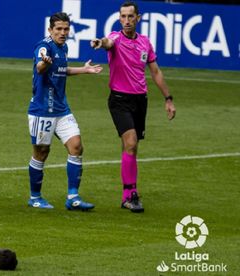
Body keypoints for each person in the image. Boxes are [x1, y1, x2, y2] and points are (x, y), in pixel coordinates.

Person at [90, 1, 176, 213]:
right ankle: (132, 194)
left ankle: (126, 195)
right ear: (119, 19)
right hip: (119, 100)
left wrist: (168, 98)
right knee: (131, 142)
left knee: (131, 147)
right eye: (123, 16)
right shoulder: (116, 38)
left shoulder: (145, 43)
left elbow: (155, 72)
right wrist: (100, 43)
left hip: (140, 100)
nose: (126, 21)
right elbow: (107, 42)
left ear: (138, 18)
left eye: (130, 16)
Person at [27, 12, 102, 210]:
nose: (63, 32)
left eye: (66, 29)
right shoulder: (43, 47)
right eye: (58, 29)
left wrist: (84, 70)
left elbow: (63, 70)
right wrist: (44, 61)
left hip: (61, 109)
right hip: (42, 110)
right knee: (41, 153)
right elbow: (41, 67)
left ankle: (73, 198)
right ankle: (35, 197)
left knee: (76, 146)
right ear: (50, 30)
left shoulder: (63, 47)